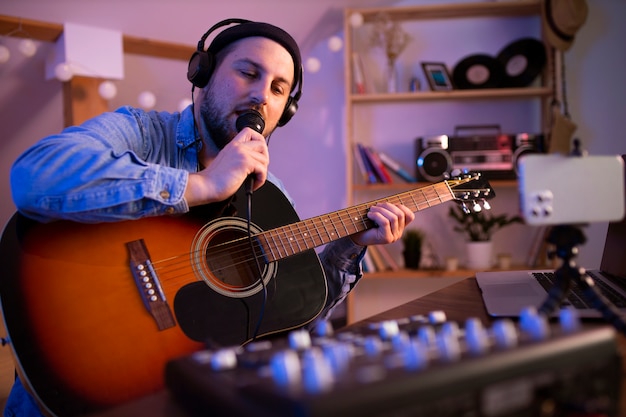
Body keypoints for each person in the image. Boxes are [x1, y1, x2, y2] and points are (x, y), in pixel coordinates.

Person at [5, 19, 415, 416]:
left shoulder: (272, 194)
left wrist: (352, 244)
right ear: (203, 75)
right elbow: (33, 177)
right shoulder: (141, 132)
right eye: (248, 72)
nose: (261, 95)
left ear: (284, 111)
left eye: (277, 88)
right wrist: (202, 186)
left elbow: (293, 321)